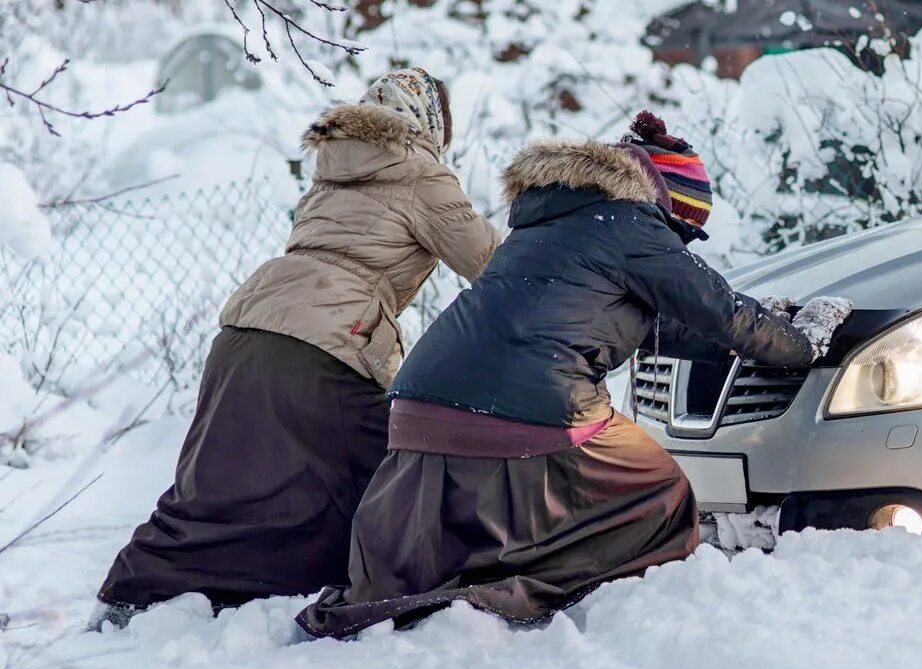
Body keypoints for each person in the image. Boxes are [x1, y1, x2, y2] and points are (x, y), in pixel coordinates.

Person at [296, 113, 847, 639]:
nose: (680, 246)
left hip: (420, 403)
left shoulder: (555, 223)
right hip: (529, 406)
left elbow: (652, 323)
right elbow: (721, 313)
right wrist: (804, 342)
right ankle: (565, 584)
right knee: (658, 485)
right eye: (684, 233)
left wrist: (767, 319)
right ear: (668, 205)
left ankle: (503, 562)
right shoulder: (633, 225)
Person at [94, 68, 498, 623]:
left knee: (220, 478)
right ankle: (399, 593)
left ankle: (129, 596)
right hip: (325, 342)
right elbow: (495, 267)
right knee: (392, 474)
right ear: (431, 124)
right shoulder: (422, 174)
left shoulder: (333, 170)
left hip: (245, 330)